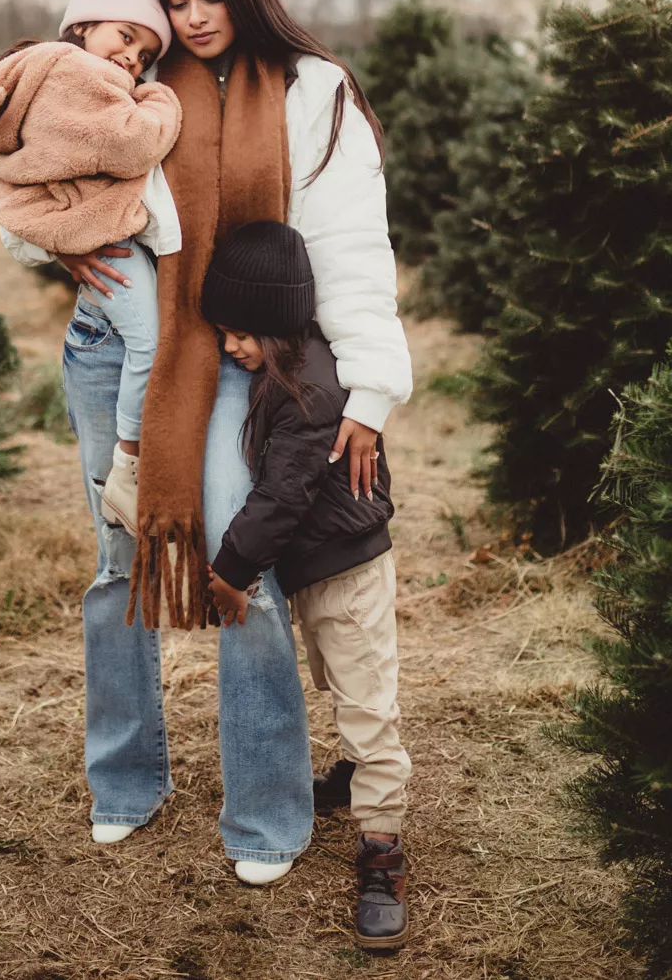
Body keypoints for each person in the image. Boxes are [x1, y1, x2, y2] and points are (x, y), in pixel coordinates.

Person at [4, 0, 412, 886]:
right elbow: (28, 192)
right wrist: (69, 244)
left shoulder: (312, 93)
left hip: (236, 359)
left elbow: (350, 252)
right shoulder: (134, 87)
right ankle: (125, 781)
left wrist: (369, 389)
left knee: (243, 571)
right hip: (114, 349)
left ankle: (267, 812)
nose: (191, 18)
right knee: (117, 563)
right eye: (174, 0)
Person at [202, 220, 411, 950]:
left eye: (239, 334)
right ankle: (355, 775)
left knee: (366, 701)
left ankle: (383, 852)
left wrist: (229, 573)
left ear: (276, 321)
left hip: (346, 571)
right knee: (341, 685)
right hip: (322, 570)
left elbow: (281, 498)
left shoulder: (310, 395)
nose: (230, 348)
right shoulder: (290, 371)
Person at [0, 0, 180, 518]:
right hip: (112, 243)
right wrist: (160, 99)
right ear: (82, 25)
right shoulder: (77, 72)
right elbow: (132, 146)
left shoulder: (49, 69)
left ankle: (126, 468)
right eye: (125, 36)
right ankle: (128, 469)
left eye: (146, 54)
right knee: (150, 344)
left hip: (89, 236)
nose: (132, 58)